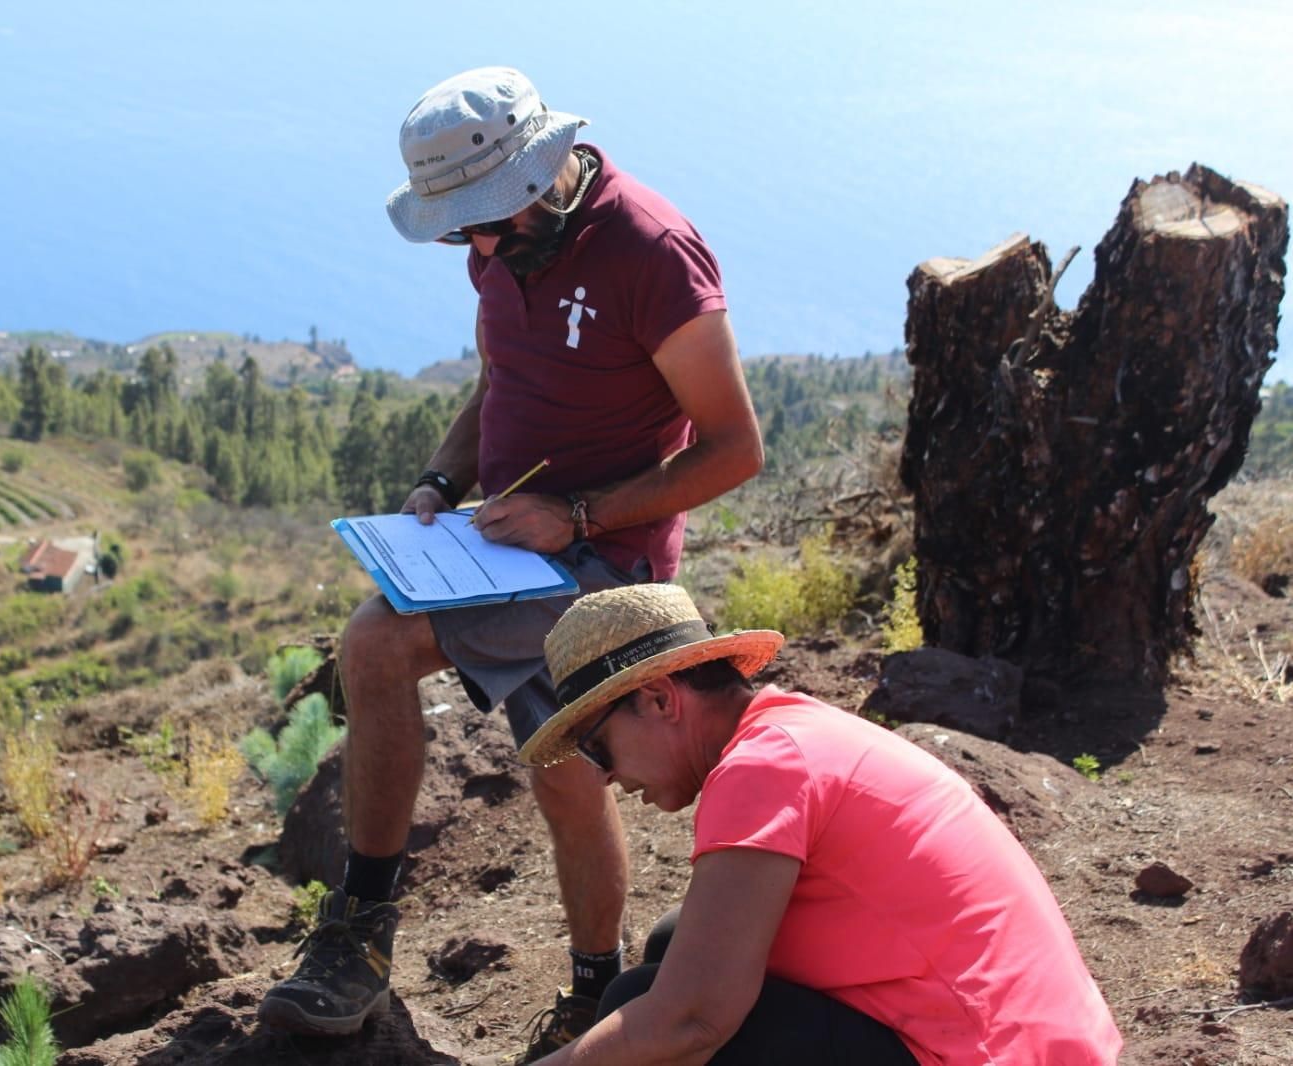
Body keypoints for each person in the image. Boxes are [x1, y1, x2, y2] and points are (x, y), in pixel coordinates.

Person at [257, 66, 764, 1059]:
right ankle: (503, 965)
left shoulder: (651, 251)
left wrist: (574, 516)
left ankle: (414, 951)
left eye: (489, 220)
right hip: (506, 547)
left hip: (603, 568)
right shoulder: (505, 245)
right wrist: (440, 481)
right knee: (518, 741)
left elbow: (734, 449)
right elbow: (503, 380)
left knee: (417, 671)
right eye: (460, 231)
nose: (479, 244)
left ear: (544, 168)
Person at [509, 582, 1123, 1065]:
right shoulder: (792, 731)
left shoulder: (761, 769)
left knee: (647, 1010)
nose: (604, 776)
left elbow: (692, 1021)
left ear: (661, 699)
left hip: (985, 1053)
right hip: (1039, 1039)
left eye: (596, 747)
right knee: (676, 948)